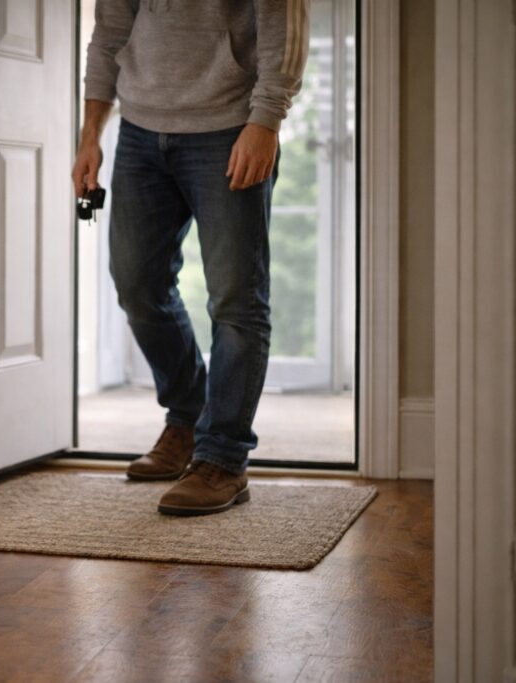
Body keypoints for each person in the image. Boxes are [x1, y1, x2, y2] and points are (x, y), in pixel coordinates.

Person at [73, 1, 310, 516]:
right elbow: (110, 30)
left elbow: (283, 22)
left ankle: (223, 458)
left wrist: (266, 121)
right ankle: (188, 416)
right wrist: (91, 133)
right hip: (139, 128)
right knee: (137, 283)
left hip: (230, 124)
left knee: (236, 299)